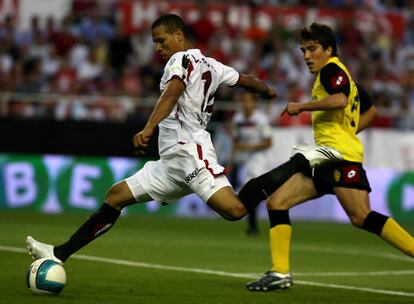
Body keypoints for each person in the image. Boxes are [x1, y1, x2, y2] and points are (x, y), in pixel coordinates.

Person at [24, 13, 283, 264]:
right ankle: (59, 254)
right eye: (155, 42)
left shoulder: (179, 60)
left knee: (235, 211)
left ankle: (291, 168)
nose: (158, 48)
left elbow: (171, 94)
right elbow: (246, 81)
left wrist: (148, 128)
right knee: (116, 196)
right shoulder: (214, 65)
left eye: (161, 40)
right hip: (169, 163)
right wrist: (268, 90)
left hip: (189, 153)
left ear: (179, 34)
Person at [238, 22, 414, 292]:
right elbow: (371, 111)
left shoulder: (332, 69)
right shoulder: (342, 76)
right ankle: (280, 272)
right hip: (327, 156)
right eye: (303, 50)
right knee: (277, 203)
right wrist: (348, 129)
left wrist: (302, 106)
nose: (306, 55)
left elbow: (341, 100)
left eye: (312, 49)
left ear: (329, 50)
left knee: (361, 216)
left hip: (338, 157)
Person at [229, 91, 273, 235]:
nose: (246, 103)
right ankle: (253, 227)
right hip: (245, 159)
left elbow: (268, 142)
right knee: (249, 192)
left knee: (252, 189)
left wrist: (249, 147)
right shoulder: (238, 119)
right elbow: (235, 142)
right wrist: (230, 162)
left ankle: (253, 226)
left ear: (254, 103)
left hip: (260, 158)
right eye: (244, 100)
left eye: (249, 100)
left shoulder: (261, 119)